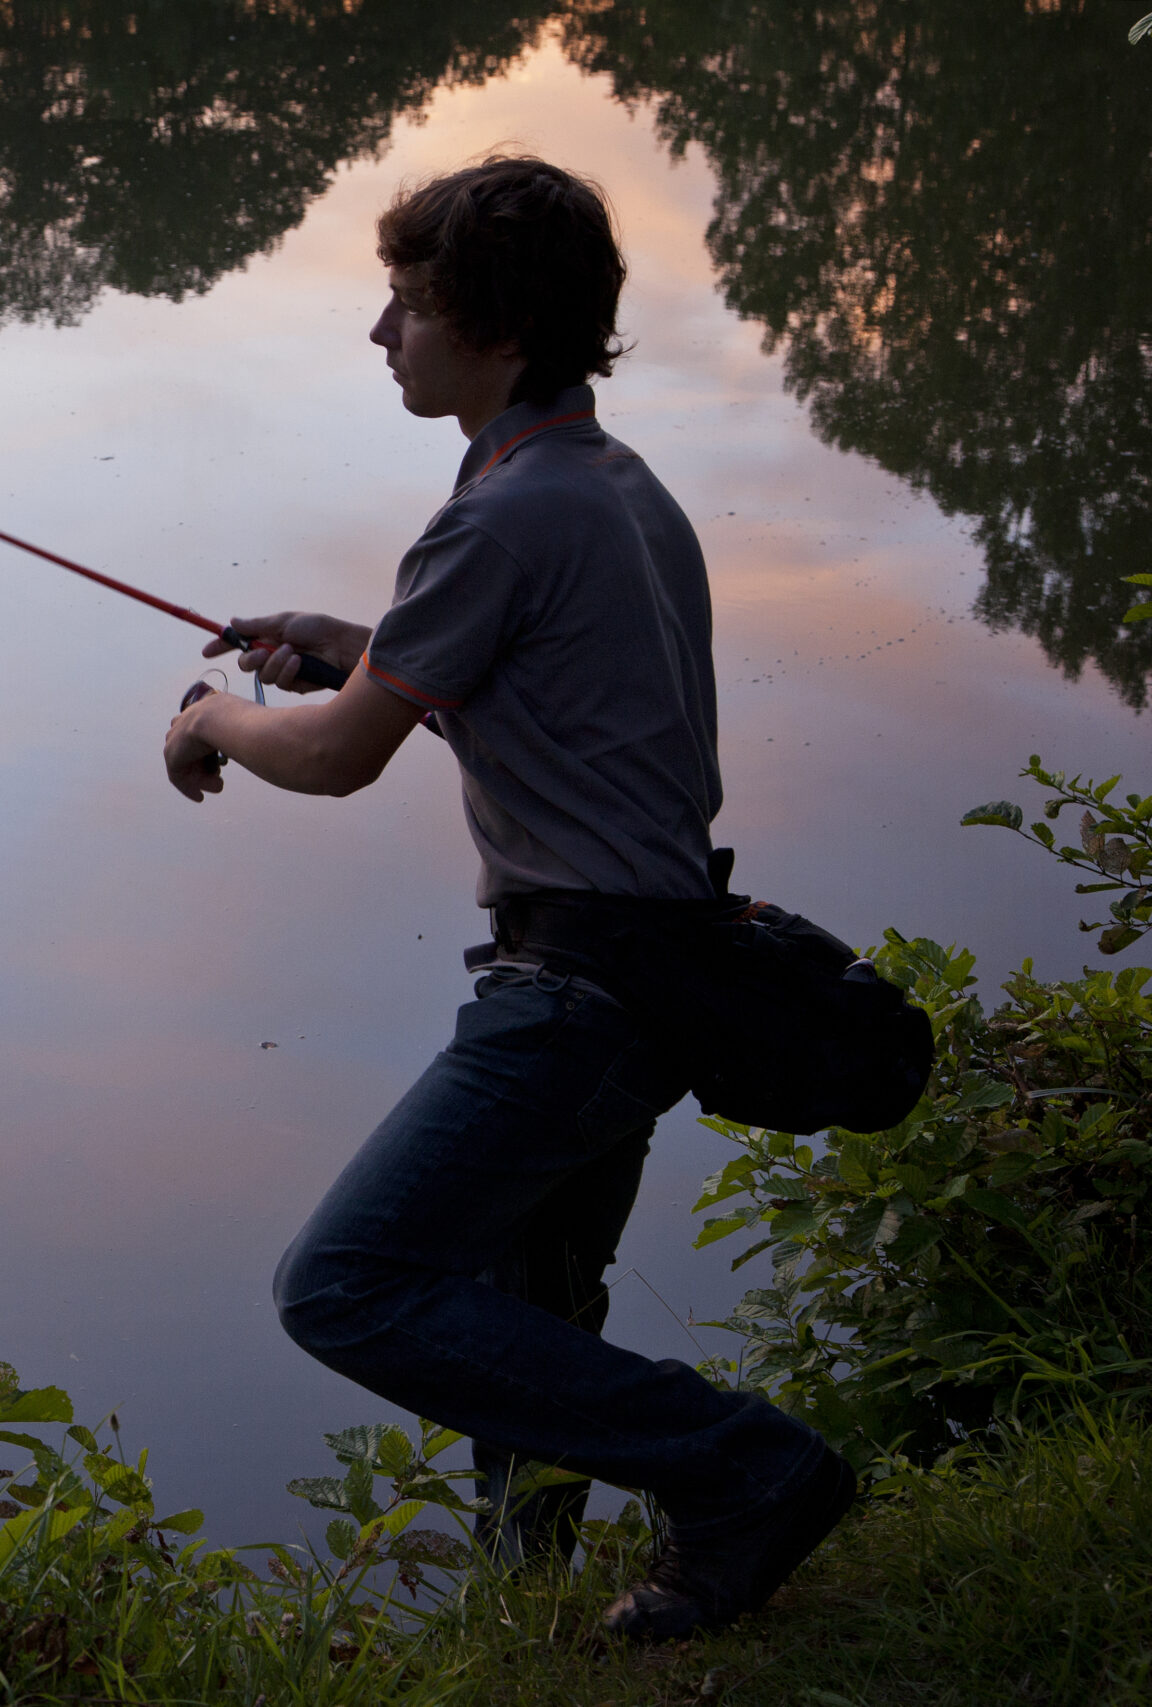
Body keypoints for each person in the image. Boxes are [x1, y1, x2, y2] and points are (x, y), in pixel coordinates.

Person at [160, 155, 854, 1640]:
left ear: (497, 329)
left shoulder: (497, 519)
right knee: (533, 1302)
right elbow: (522, 678)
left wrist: (214, 719)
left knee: (347, 1284)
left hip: (578, 992)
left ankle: (749, 1470)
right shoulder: (608, 488)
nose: (379, 334)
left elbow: (342, 763)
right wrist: (351, 635)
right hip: (665, 962)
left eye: (407, 305)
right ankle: (528, 1604)